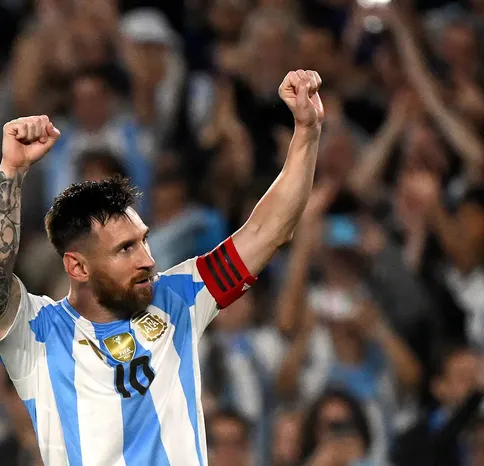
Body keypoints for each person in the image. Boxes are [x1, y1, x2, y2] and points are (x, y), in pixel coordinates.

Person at [0, 69, 325, 465]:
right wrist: (11, 173)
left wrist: (307, 131)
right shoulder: (36, 333)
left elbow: (267, 231)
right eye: (125, 249)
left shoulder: (178, 297)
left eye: (143, 240)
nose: (147, 259)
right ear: (78, 267)